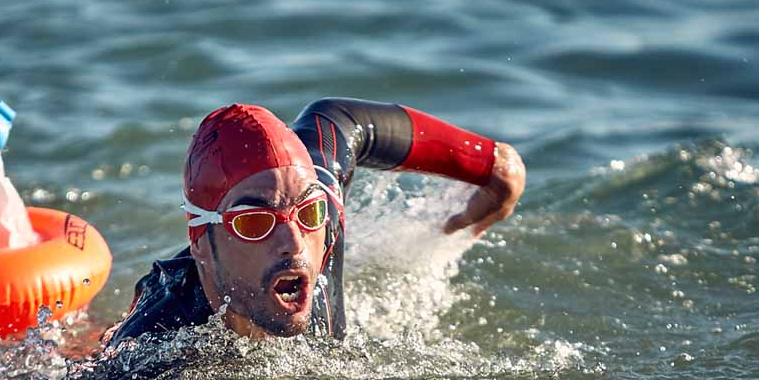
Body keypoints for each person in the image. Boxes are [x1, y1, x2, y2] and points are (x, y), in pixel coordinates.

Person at [104, 98, 525, 345]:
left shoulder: (322, 202)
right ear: (200, 240)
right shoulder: (158, 339)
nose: (295, 241)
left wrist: (494, 169)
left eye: (307, 213)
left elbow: (335, 118)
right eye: (255, 223)